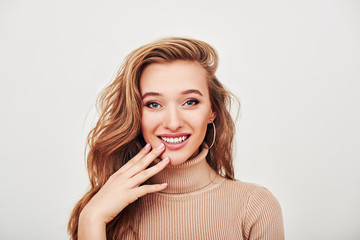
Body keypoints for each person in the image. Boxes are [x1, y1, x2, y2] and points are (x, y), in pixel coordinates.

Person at [68, 37, 284, 239]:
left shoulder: (254, 206)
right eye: (153, 104)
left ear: (213, 110)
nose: (173, 123)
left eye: (190, 102)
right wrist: (91, 219)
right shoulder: (103, 210)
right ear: (136, 114)